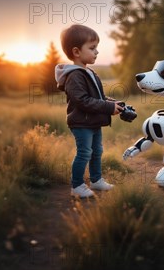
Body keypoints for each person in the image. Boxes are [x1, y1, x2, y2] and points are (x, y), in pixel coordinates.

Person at [54, 24, 123, 198]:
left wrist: (115, 104)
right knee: (84, 153)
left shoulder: (89, 72)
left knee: (97, 151)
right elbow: (83, 101)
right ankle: (77, 186)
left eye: (96, 48)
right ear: (76, 52)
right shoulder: (74, 76)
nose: (97, 52)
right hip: (81, 122)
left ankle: (96, 180)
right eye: (92, 48)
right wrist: (107, 107)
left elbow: (98, 97)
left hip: (92, 121)